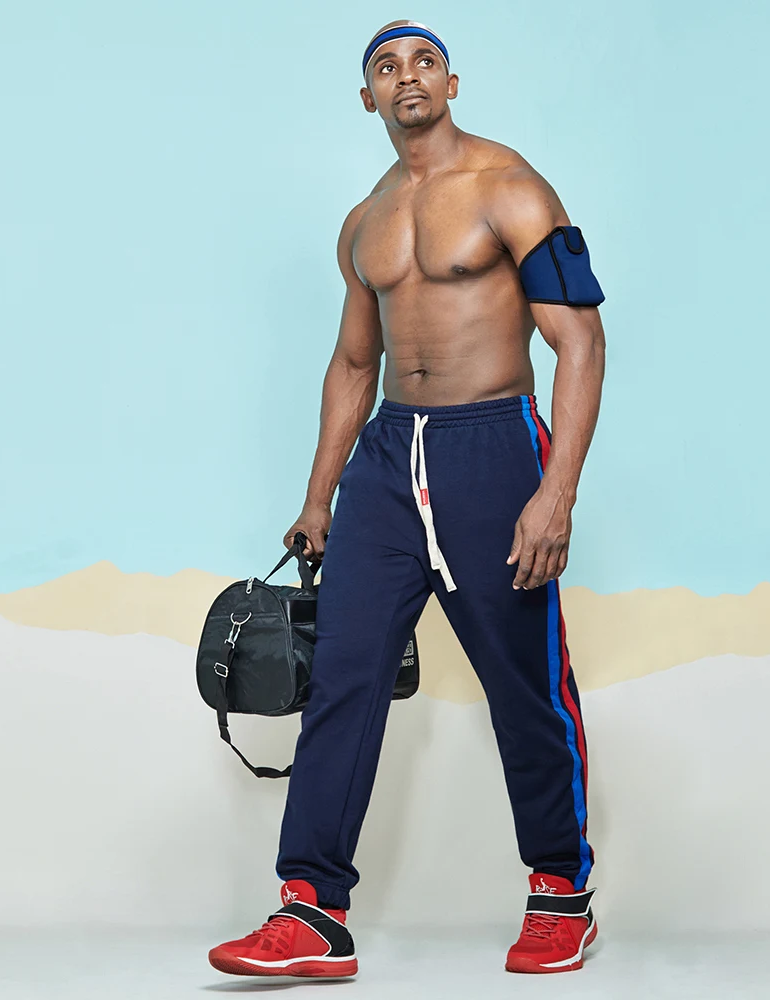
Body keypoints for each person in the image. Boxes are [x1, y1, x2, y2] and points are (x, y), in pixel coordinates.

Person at [209, 19, 607, 979]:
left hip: (493, 447)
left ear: (452, 81)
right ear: (369, 98)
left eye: (424, 61)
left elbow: (581, 342)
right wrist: (319, 497)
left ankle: (562, 892)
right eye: (386, 67)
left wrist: (555, 493)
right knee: (343, 681)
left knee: (524, 683)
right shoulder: (365, 220)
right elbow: (355, 362)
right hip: (387, 459)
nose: (407, 76)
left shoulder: (513, 188)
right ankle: (312, 911)